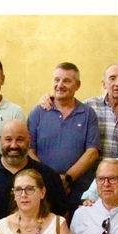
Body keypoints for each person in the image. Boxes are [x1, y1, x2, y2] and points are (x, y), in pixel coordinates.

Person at [0, 119, 68, 234]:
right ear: (0, 141)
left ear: (29, 141)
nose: (13, 145)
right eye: (8, 139)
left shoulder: (48, 176)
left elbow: (62, 216)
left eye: (20, 139)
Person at [27, 62, 101, 210]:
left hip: (79, 190)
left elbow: (92, 152)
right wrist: (52, 180)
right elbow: (29, 151)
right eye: (56, 80)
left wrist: (66, 178)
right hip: (44, 189)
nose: (60, 85)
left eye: (66, 81)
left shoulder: (88, 114)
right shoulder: (38, 112)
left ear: (77, 85)